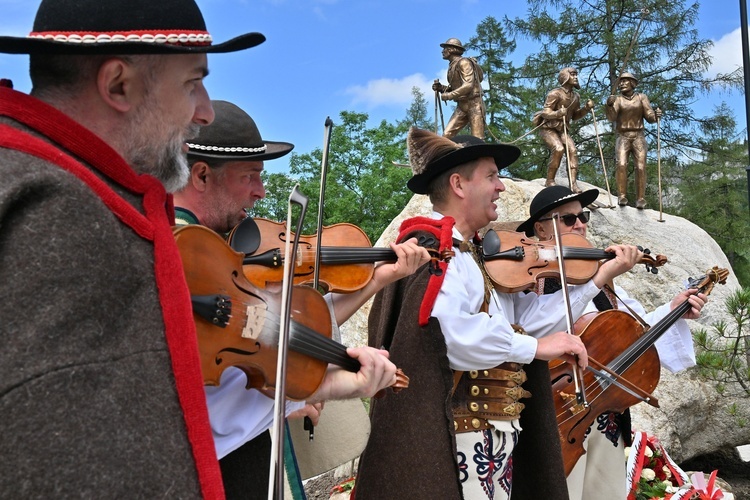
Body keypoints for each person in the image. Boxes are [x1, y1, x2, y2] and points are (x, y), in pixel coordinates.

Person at [0, 1, 402, 497]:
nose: (205, 111)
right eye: (193, 82)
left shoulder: (72, 198)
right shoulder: (57, 210)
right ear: (118, 85)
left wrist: (319, 378)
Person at [354, 128, 640, 500]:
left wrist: (596, 278)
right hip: (459, 436)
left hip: (491, 435)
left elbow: (530, 320)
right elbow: (455, 336)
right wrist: (535, 347)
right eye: (491, 176)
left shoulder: (471, 254)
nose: (501, 186)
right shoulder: (434, 251)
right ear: (458, 184)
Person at [173, 99, 431, 499]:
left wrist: (377, 278)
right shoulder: (181, 257)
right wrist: (327, 386)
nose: (260, 191)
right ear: (202, 175)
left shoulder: (212, 254)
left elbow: (274, 328)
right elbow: (208, 406)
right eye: (251, 176)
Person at [516, 185, 706, 500]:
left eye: (583, 216)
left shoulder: (603, 279)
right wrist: (599, 277)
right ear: (540, 228)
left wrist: (675, 310)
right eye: (568, 219)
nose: (579, 224)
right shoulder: (527, 281)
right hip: (552, 412)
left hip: (604, 413)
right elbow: (530, 332)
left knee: (605, 493)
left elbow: (630, 331)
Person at [604, 72, 661, 209]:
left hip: (638, 136)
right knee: (621, 164)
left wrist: (656, 115)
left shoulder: (641, 98)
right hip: (623, 136)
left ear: (632, 83)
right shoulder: (617, 99)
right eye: (620, 81)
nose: (622, 84)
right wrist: (609, 106)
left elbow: (649, 116)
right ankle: (622, 195)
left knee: (640, 167)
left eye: (625, 81)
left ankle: (641, 198)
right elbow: (612, 118)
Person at [533, 67, 594, 193]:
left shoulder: (576, 96)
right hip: (548, 128)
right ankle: (549, 180)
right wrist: (558, 113)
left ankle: (573, 184)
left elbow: (575, 115)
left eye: (576, 74)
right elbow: (546, 112)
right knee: (559, 148)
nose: (576, 77)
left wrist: (586, 109)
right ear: (565, 77)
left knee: (573, 150)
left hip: (562, 130)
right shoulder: (555, 93)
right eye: (572, 74)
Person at [431, 38, 486, 139]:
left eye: (445, 48)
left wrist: (449, 95)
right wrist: (441, 88)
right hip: (462, 106)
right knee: (447, 135)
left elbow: (468, 85)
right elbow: (456, 88)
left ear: (452, 49)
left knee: (478, 139)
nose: (442, 51)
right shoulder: (452, 66)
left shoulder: (464, 62)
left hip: (474, 104)